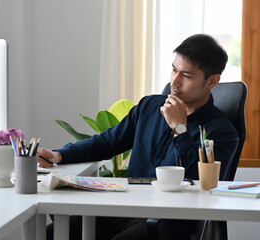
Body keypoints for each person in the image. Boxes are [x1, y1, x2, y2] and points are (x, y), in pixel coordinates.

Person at [37, 34, 239, 240]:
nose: (174, 81)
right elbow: (107, 142)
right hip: (124, 208)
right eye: (174, 70)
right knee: (52, 234)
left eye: (186, 76)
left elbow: (199, 184)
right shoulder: (149, 107)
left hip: (169, 222)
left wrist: (179, 128)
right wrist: (58, 155)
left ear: (212, 81)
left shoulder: (223, 133)